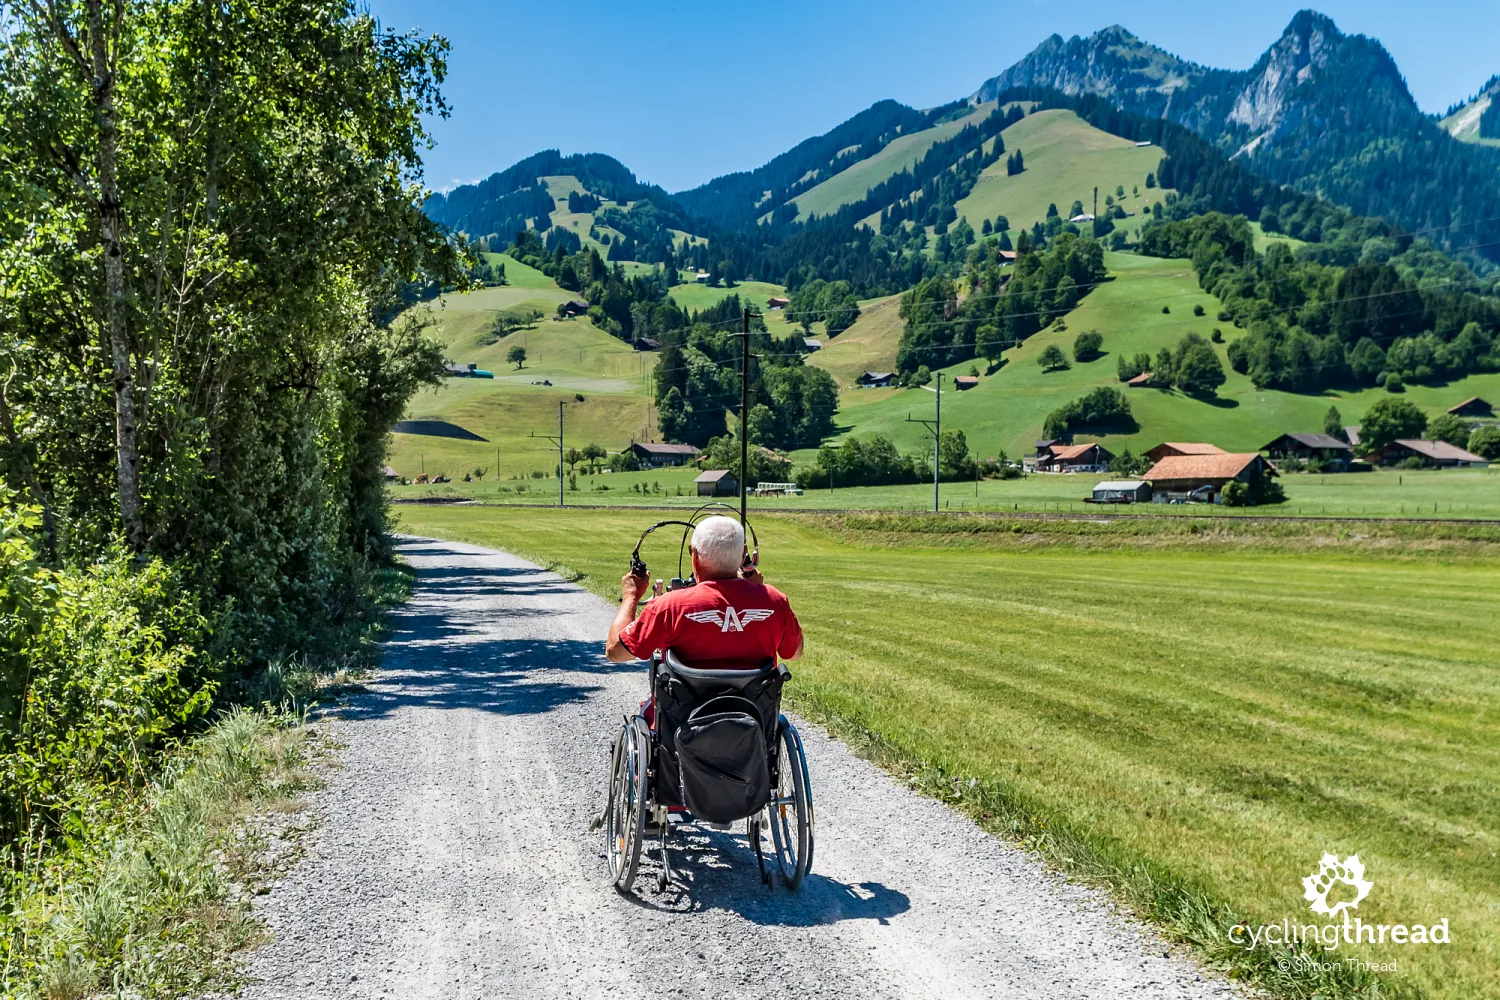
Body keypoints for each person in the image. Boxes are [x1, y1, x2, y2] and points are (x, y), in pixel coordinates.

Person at [606, 515, 802, 670]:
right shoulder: (776, 600)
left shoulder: (668, 607)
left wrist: (631, 596)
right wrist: (756, 591)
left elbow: (615, 651)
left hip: (683, 718)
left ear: (695, 555)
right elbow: (794, 653)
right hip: (758, 717)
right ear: (743, 555)